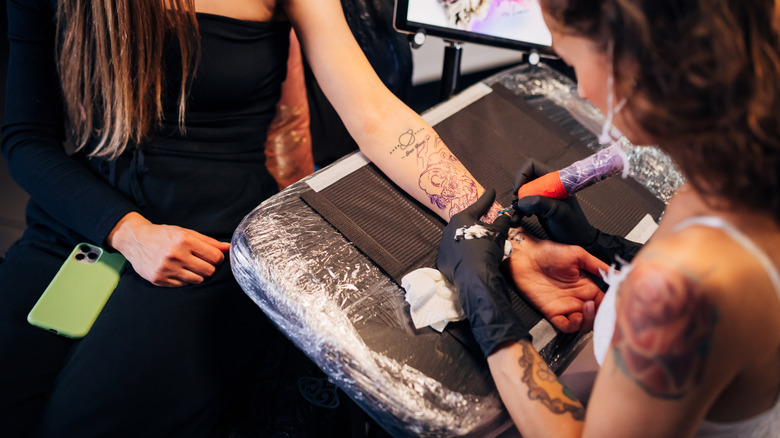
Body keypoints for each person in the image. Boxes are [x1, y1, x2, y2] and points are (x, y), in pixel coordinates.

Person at [0, 0, 606, 435]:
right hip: (78, 224)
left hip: (214, 248)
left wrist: (503, 238)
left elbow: (376, 117)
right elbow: (25, 137)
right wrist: (124, 231)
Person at [437, 0, 780, 436]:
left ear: (631, 57)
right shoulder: (732, 173)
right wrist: (602, 244)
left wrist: (484, 302)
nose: (580, 90)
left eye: (571, 60)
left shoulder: (681, 287)